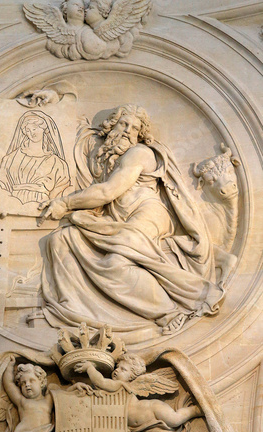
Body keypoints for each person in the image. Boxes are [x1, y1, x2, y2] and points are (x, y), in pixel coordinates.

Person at [38, 104, 224, 340]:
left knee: (116, 260)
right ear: (111, 126)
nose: (127, 131)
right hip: (117, 219)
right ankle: (73, 306)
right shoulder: (105, 158)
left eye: (134, 128)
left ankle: (169, 311)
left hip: (149, 214)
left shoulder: (139, 153)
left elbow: (108, 192)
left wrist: (65, 203)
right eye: (123, 124)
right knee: (61, 238)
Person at [74, 354, 203, 432]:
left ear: (131, 377)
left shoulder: (119, 385)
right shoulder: (106, 392)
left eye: (123, 369)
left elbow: (100, 381)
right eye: (117, 368)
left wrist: (90, 368)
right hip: (144, 426)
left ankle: (196, 410)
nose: (117, 370)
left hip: (151, 409)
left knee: (174, 419)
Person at [0, 110, 71, 204]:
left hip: (41, 208)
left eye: (35, 129)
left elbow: (62, 190)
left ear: (44, 129)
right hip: (13, 204)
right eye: (28, 130)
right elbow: (0, 184)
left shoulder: (57, 163)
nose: (32, 133)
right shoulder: (11, 158)